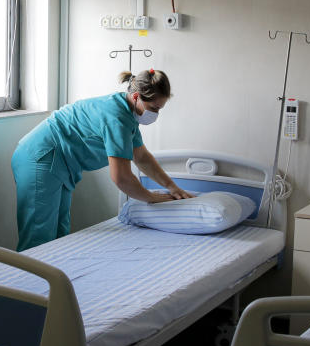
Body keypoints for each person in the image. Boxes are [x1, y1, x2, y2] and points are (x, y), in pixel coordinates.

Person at [11, 69, 193, 251]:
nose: (155, 114)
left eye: (159, 109)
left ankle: (52, 278)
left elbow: (142, 157)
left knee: (59, 236)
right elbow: (121, 178)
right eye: (153, 108)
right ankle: (24, 279)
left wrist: (172, 187)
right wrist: (153, 198)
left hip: (60, 165)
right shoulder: (117, 118)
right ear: (136, 96)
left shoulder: (127, 113)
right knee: (38, 239)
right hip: (40, 156)